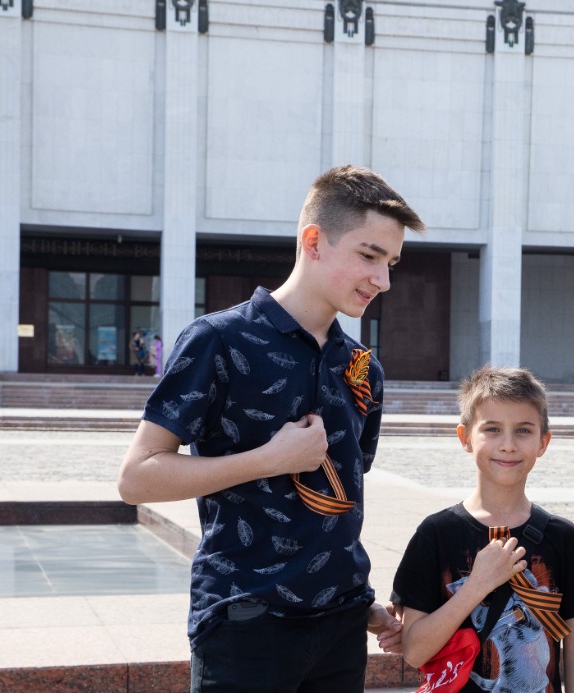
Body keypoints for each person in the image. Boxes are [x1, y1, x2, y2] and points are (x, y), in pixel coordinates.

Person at [117, 165, 426, 692]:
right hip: (245, 620)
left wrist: (356, 594)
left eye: (391, 262)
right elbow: (136, 479)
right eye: (369, 255)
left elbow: (338, 504)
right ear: (313, 241)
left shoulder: (361, 367)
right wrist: (269, 459)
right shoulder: (219, 340)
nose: (383, 280)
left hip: (340, 624)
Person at [390, 366, 574, 693]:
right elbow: (414, 649)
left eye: (523, 430)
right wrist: (476, 585)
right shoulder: (435, 534)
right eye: (492, 429)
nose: (508, 445)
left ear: (543, 442)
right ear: (465, 438)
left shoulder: (562, 538)